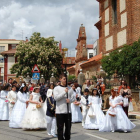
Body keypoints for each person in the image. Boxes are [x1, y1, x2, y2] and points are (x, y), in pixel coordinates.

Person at [53, 74, 75, 140]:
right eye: (64, 79)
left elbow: (73, 98)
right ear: (60, 79)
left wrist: (70, 100)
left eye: (66, 79)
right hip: (60, 112)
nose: (65, 80)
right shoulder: (56, 88)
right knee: (60, 129)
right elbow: (56, 98)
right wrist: (64, 92)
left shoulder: (70, 88)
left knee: (68, 129)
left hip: (68, 111)